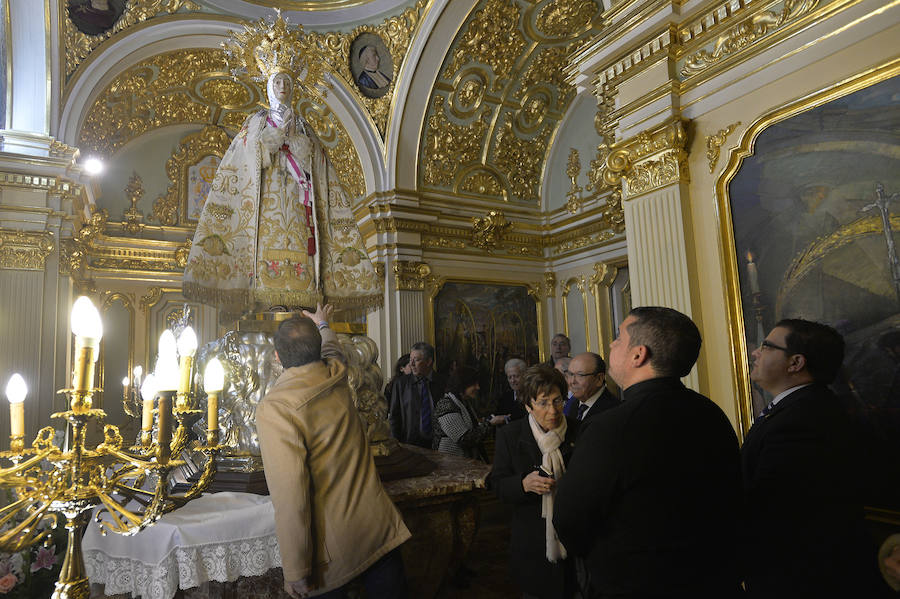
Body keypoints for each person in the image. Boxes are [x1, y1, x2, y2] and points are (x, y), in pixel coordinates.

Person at [553, 307, 742, 598]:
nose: (612, 345)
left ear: (638, 355)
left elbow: (571, 518)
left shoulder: (610, 426)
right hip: (714, 580)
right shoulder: (712, 413)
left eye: (618, 338)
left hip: (636, 583)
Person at [183, 65, 381, 320]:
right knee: (267, 245)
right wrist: (275, 138)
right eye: (277, 82)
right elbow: (244, 157)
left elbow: (319, 165)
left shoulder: (304, 126)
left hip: (299, 203)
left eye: (287, 82)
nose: (282, 87)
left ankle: (300, 305)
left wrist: (297, 143)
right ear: (269, 87)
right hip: (266, 202)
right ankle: (267, 301)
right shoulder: (257, 121)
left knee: (302, 247)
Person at [256, 304, 410, 599]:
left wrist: (296, 569)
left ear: (277, 358)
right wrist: (323, 324)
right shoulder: (337, 374)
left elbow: (291, 497)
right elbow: (333, 350)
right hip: (378, 527)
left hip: (335, 549)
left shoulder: (275, 408)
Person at [743, 319, 884, 597]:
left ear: (795, 363)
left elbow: (771, 506)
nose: (755, 353)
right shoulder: (798, 407)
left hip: (798, 580)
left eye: (767, 346)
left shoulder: (803, 418)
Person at [490, 365, 578, 599]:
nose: (553, 410)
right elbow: (496, 483)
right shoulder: (510, 435)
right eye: (543, 402)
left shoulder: (580, 432)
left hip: (577, 539)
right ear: (528, 405)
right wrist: (522, 485)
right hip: (533, 544)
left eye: (558, 400)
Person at [433, 366, 500, 460]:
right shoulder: (446, 405)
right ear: (462, 384)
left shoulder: (463, 402)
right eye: (474, 384)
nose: (478, 387)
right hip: (451, 462)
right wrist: (490, 423)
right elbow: (464, 439)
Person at [389, 342, 445, 448]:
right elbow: (394, 417)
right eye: (410, 359)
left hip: (439, 445)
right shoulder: (401, 384)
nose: (411, 364)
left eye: (416, 360)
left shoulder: (442, 382)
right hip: (410, 444)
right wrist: (396, 444)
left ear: (428, 361)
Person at [567, 352, 618, 426]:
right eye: (571, 374)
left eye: (580, 375)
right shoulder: (572, 404)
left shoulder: (613, 411)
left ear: (599, 379)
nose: (572, 381)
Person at [494, 358, 528, 424]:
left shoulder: (533, 395)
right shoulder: (504, 398)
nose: (513, 381)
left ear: (525, 375)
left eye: (516, 376)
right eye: (510, 377)